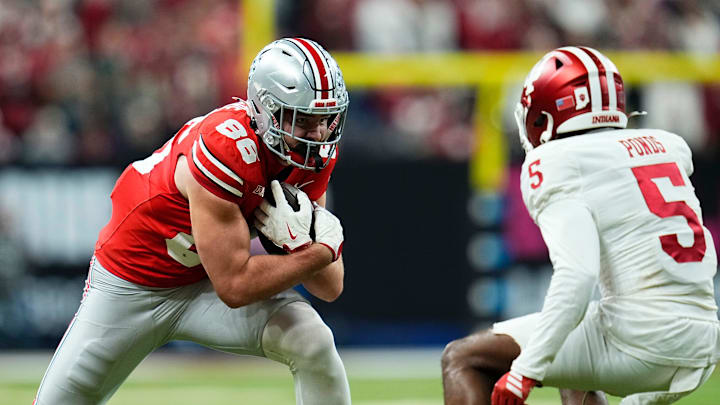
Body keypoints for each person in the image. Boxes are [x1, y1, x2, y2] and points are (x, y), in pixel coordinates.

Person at [34, 37, 352, 405]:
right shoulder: (225, 148)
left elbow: (329, 287)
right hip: (133, 283)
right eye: (305, 120)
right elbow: (235, 286)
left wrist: (307, 249)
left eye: (325, 119)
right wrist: (314, 252)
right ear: (267, 112)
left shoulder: (311, 154)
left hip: (203, 285)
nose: (318, 134)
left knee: (312, 340)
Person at [441, 46, 720, 405]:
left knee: (462, 358)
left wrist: (526, 371)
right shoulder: (667, 145)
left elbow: (578, 275)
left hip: (642, 342)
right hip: (704, 341)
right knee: (566, 333)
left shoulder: (556, 160)